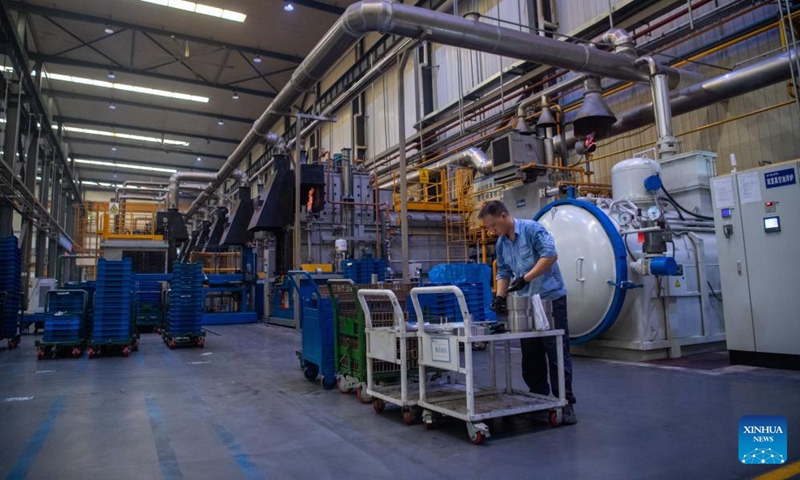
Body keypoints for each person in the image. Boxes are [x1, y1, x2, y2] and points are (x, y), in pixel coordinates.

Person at [479, 200, 577, 425]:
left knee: (556, 352)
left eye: (493, 225)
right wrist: (500, 296)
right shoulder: (502, 244)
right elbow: (503, 271)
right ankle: (539, 399)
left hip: (549, 298)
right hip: (525, 303)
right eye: (490, 228)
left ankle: (566, 402)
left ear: (504, 216)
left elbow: (550, 255)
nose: (492, 231)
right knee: (531, 353)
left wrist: (526, 278)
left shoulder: (533, 230)